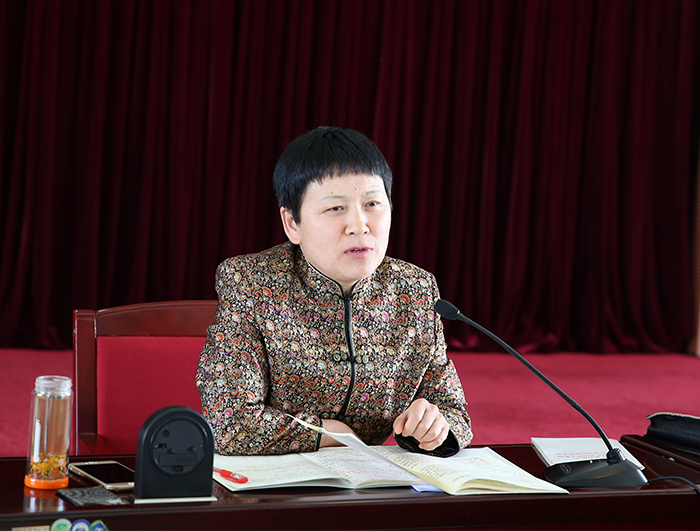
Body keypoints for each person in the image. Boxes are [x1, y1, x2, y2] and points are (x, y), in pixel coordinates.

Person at [196, 126, 472, 456]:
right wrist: (326, 433)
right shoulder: (251, 283)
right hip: (276, 480)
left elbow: (455, 414)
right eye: (335, 208)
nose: (359, 225)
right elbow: (228, 424)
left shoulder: (414, 290)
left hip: (369, 479)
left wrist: (434, 428)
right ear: (292, 224)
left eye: (373, 203)